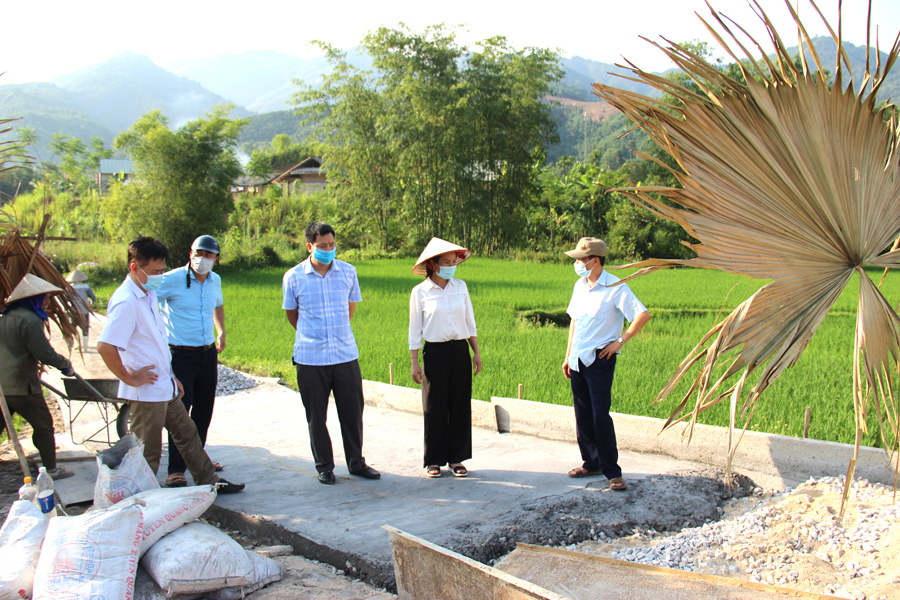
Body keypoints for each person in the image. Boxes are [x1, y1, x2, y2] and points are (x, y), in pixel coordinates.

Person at [97, 236, 244, 494]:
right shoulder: (126, 301)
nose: (160, 277)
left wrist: (171, 374)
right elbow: (105, 346)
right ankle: (141, 498)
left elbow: (157, 340)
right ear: (134, 267)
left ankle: (209, 481)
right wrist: (130, 378)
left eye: (162, 270)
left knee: (187, 434)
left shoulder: (148, 293)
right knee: (148, 450)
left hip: (165, 383)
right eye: (155, 272)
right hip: (146, 391)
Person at [282, 222, 379, 485]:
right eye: (322, 246)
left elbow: (349, 310)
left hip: (345, 354)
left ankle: (356, 462)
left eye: (332, 245)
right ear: (309, 246)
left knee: (353, 413)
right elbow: (293, 315)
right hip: (310, 358)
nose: (328, 250)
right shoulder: (293, 277)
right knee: (316, 416)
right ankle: (324, 466)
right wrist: (313, 334)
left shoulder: (348, 272)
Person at [561, 237, 651, 491]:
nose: (578, 264)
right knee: (582, 414)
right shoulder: (580, 286)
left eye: (581, 259)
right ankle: (591, 462)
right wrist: (568, 355)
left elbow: (642, 315)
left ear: (595, 261)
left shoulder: (616, 287)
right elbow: (575, 321)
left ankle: (612, 471)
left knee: (600, 414)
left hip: (600, 359)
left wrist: (619, 342)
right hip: (578, 358)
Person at [156, 235, 226, 488]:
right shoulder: (171, 279)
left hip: (207, 353)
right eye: (199, 253)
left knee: (204, 410)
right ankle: (176, 469)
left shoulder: (215, 280)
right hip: (180, 354)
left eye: (209, 255)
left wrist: (221, 330)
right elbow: (149, 305)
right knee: (180, 413)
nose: (203, 259)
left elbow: (218, 304)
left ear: (216, 259)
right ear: (191, 253)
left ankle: (199, 460)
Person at [408, 238, 481, 478]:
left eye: (454, 262)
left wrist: (476, 351)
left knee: (460, 404)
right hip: (434, 353)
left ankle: (456, 458)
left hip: (460, 350)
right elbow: (414, 330)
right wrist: (414, 362)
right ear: (433, 264)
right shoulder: (420, 292)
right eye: (447, 262)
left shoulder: (461, 287)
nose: (452, 266)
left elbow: (470, 321)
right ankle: (434, 460)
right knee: (434, 406)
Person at [0, 274, 75, 479]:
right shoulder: (30, 320)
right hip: (22, 384)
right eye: (46, 297)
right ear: (35, 298)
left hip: (3, 385)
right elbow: (43, 353)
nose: (48, 301)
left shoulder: (6, 317)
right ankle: (51, 470)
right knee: (43, 427)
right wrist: (65, 363)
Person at [66, 269, 96, 350]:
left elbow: (66, 299)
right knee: (85, 328)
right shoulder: (86, 287)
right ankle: (85, 347)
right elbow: (93, 297)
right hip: (85, 311)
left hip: (74, 311)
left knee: (73, 326)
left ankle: (78, 343)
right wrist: (92, 303)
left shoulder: (70, 288)